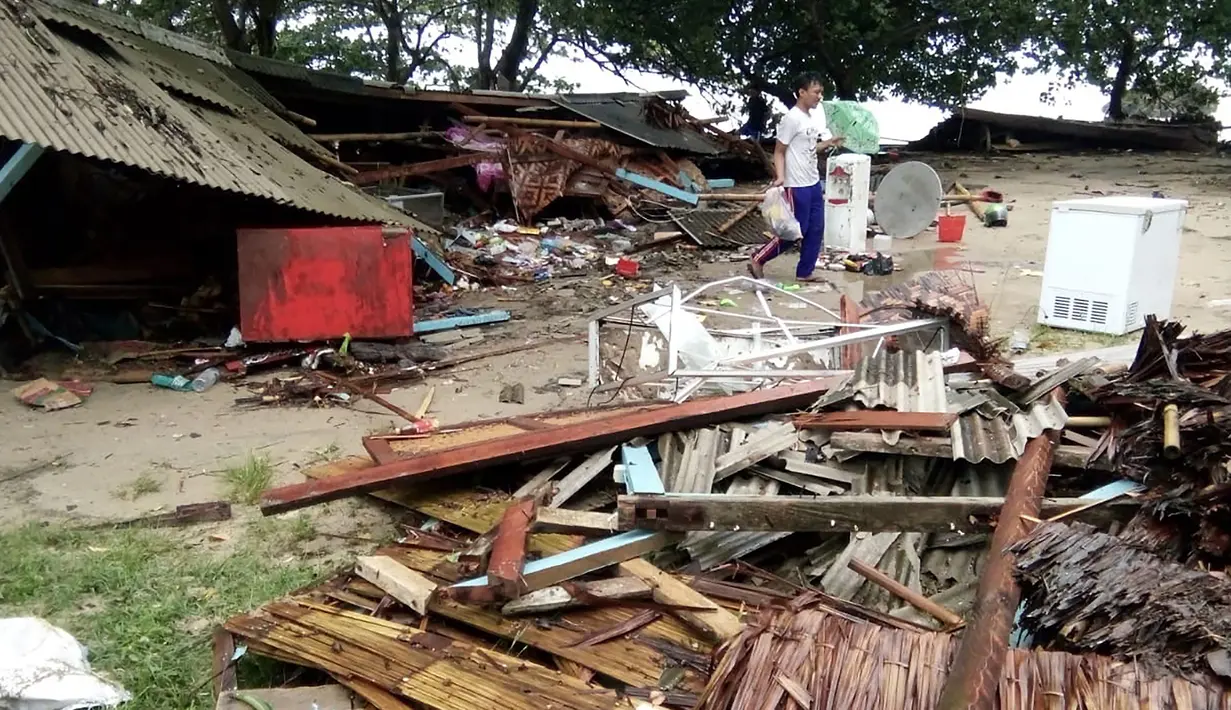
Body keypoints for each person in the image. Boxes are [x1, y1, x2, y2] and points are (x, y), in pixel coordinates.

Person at [748, 72, 843, 281]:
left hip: (813, 182)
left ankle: (804, 272)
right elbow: (779, 151)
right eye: (816, 92)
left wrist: (828, 143)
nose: (820, 97)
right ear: (802, 92)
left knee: (817, 228)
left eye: (821, 93)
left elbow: (808, 149)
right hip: (796, 184)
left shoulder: (810, 119)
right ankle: (758, 258)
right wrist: (780, 177)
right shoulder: (791, 119)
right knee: (795, 231)